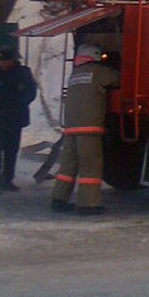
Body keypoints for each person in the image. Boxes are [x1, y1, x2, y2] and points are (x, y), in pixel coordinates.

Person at [50, 42, 120, 216]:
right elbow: (117, 78)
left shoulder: (74, 74)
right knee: (90, 166)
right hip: (89, 129)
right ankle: (87, 204)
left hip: (71, 128)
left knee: (68, 166)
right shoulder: (98, 71)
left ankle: (58, 199)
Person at [0, 45, 37, 195]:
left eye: (5, 60)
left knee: (11, 151)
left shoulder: (23, 73)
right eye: (1, 61)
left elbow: (30, 93)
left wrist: (16, 101)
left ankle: (7, 179)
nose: (2, 64)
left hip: (16, 117)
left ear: (12, 60)